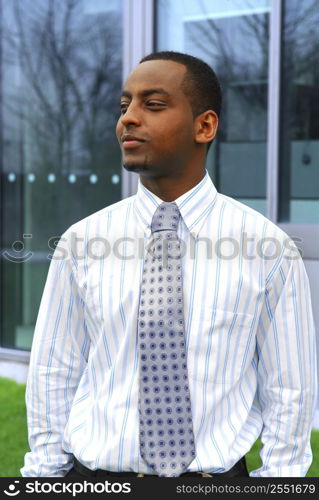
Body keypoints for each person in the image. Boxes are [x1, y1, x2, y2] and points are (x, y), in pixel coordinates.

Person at [21, 51, 317, 478]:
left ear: (205, 125)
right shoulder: (81, 243)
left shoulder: (268, 249)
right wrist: (44, 478)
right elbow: (54, 370)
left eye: (152, 105)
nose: (129, 119)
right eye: (124, 107)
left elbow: (289, 387)